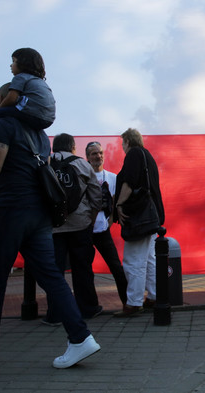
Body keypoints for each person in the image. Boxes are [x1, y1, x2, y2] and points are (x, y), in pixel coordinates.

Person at [0, 83, 99, 369]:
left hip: (11, 209)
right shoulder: (40, 134)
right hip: (39, 213)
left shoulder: (4, 124)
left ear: (5, 98)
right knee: (51, 277)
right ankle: (80, 338)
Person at [44, 133, 102, 323]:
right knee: (82, 268)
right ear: (73, 147)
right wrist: (90, 219)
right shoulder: (82, 164)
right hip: (80, 224)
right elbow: (96, 196)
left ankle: (55, 314)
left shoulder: (45, 163)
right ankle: (88, 308)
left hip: (53, 227)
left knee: (55, 271)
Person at [114, 128, 165, 317]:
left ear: (128, 141)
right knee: (149, 259)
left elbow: (129, 181)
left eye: (122, 143)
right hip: (152, 216)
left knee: (133, 260)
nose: (122, 147)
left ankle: (133, 303)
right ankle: (154, 296)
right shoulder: (147, 155)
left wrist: (119, 203)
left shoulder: (134, 154)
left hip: (139, 218)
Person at [85, 141, 128, 307]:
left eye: (100, 153)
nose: (99, 156)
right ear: (88, 157)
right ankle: (90, 305)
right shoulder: (84, 176)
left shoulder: (113, 178)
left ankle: (127, 302)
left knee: (116, 267)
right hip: (86, 231)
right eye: (94, 153)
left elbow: (117, 202)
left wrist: (110, 221)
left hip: (103, 230)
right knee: (86, 271)